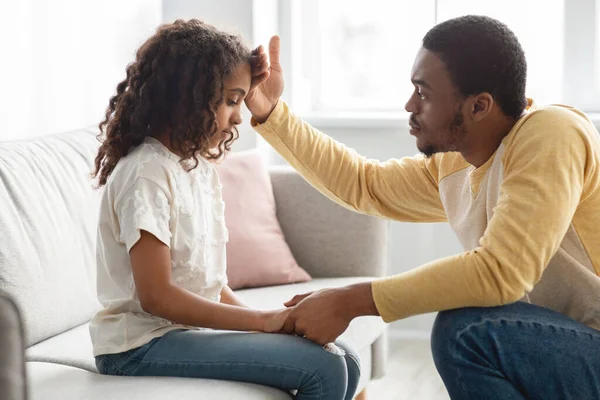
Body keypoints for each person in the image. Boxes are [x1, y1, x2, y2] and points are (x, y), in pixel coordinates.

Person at [245, 15, 600, 399]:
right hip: (564, 342)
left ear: (479, 106)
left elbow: (502, 272)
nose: (410, 105)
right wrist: (271, 113)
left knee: (467, 332)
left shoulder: (552, 133)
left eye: (424, 93)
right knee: (470, 327)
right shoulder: (457, 162)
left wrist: (350, 301)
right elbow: (364, 184)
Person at [89, 19, 361, 400]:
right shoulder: (146, 173)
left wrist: (269, 325)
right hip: (137, 346)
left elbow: (209, 286)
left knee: (346, 358)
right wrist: (263, 321)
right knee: (325, 368)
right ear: (189, 97)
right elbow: (158, 297)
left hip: (181, 334)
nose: (239, 117)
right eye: (232, 100)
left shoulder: (195, 166)